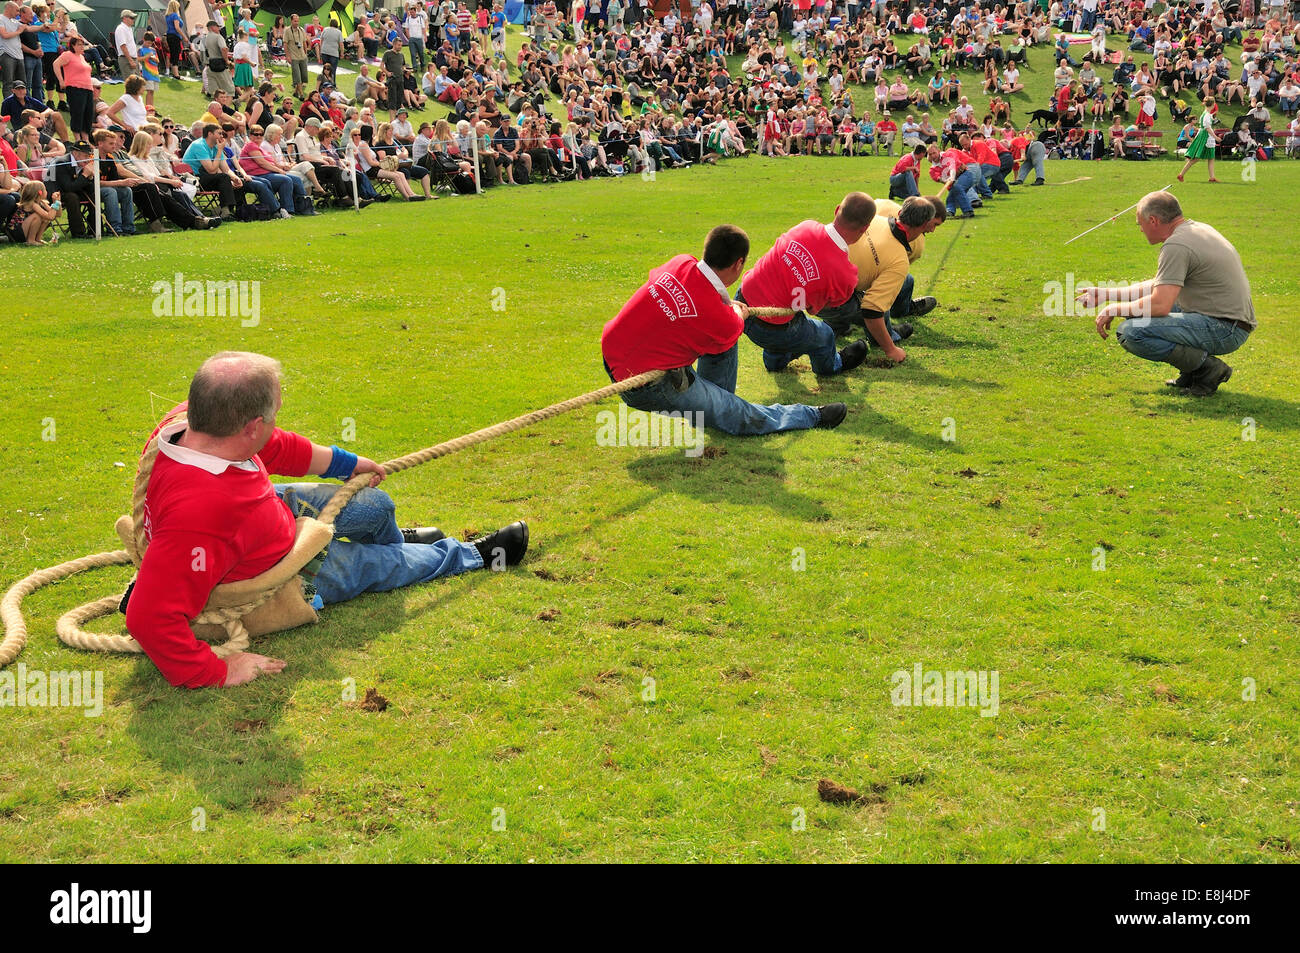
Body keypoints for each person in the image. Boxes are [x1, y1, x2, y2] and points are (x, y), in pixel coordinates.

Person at [123, 351, 529, 689]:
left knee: (375, 506)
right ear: (250, 428)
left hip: (268, 513)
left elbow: (276, 446)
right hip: (284, 572)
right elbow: (148, 617)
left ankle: (395, 540)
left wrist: (347, 464)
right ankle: (473, 555)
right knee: (381, 566)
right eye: (273, 414)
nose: (276, 422)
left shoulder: (194, 424)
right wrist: (217, 670)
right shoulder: (201, 514)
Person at [602, 225, 846, 435]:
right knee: (735, 411)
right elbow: (732, 323)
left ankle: (712, 407)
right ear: (739, 264)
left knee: (722, 344)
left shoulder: (681, 262)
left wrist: (727, 307)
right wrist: (737, 311)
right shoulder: (722, 319)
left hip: (614, 353)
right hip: (648, 385)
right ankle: (811, 416)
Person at [1084, 192, 1253, 397]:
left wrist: (1114, 308)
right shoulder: (1195, 229)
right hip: (1228, 319)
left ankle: (1207, 370)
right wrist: (1106, 294)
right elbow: (1160, 285)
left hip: (1225, 328)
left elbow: (1160, 305)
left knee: (1132, 331)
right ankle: (1193, 372)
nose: (1140, 229)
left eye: (1140, 224)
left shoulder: (1176, 245)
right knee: (1137, 312)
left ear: (1153, 221)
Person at [735, 193, 874, 377]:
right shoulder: (846, 276)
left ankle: (775, 361)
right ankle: (833, 366)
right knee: (824, 334)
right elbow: (816, 307)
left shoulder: (805, 226)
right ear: (865, 228)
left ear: (837, 210)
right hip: (772, 328)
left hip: (740, 303)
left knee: (793, 316)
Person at [819, 196, 940, 359]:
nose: (933, 229)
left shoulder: (875, 219)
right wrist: (891, 349)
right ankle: (888, 335)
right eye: (933, 226)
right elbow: (872, 310)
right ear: (926, 226)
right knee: (878, 303)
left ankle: (838, 325)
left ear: (900, 212)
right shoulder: (899, 261)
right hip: (827, 298)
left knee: (892, 287)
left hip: (811, 279)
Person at [1177, 96, 1219, 183]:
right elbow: (1207, 128)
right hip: (1205, 137)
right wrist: (1216, 137)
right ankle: (1181, 174)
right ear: (1213, 104)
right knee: (1197, 158)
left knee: (1210, 157)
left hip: (1204, 136)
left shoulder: (1206, 113)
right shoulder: (1207, 115)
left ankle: (1212, 177)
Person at [114, 8, 139, 79]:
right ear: (125, 18)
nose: (133, 20)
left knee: (138, 84)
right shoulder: (121, 29)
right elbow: (123, 46)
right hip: (126, 59)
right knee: (132, 85)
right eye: (132, 18)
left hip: (132, 59)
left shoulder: (129, 28)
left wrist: (136, 60)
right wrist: (130, 60)